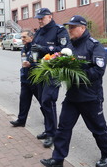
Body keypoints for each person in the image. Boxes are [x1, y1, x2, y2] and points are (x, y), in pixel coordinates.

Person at [40, 15, 107, 167]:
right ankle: (57, 159)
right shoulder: (70, 45)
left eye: (73, 27)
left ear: (83, 28)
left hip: (90, 97)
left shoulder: (95, 46)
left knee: (98, 129)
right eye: (69, 27)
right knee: (63, 129)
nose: (70, 30)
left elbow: (98, 72)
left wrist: (76, 75)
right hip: (72, 97)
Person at [32, 8, 69, 148]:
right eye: (38, 18)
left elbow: (64, 49)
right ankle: (49, 130)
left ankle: (53, 134)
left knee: (48, 100)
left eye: (42, 18)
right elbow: (34, 46)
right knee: (43, 101)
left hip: (53, 70)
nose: (40, 20)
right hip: (41, 70)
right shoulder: (40, 30)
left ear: (50, 17)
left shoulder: (59, 30)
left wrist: (44, 49)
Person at [10, 30, 41, 127]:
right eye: (21, 37)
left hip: (35, 80)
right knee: (23, 100)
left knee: (43, 102)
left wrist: (31, 64)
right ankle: (21, 120)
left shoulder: (35, 48)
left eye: (24, 37)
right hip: (25, 79)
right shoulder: (24, 48)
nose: (22, 39)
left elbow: (39, 63)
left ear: (31, 38)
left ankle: (49, 120)